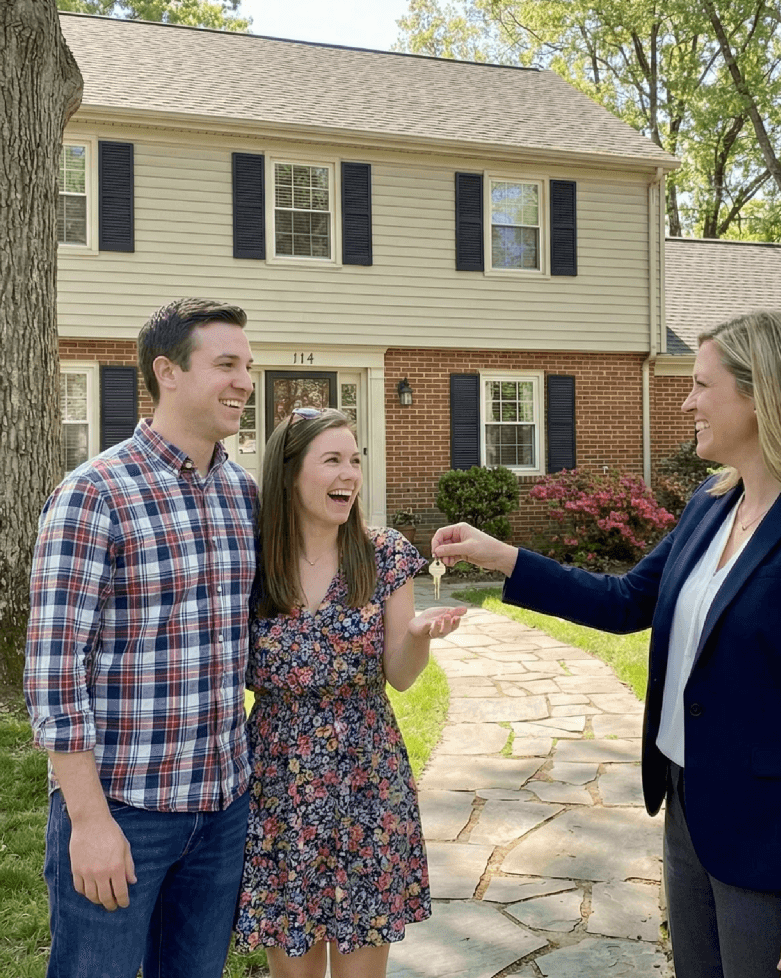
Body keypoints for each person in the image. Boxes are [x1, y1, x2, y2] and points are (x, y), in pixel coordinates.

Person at [432, 310, 781, 978]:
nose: (686, 402)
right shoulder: (712, 506)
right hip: (691, 813)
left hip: (776, 845)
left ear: (761, 393)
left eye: (702, 385)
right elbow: (626, 602)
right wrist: (501, 556)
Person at [25, 298, 259, 978]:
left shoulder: (241, 496)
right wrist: (90, 822)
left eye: (248, 365)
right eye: (226, 364)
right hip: (125, 811)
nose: (245, 380)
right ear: (168, 372)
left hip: (221, 811)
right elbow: (52, 672)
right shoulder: (95, 493)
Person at [237, 407, 465, 978]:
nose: (350, 474)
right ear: (290, 473)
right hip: (278, 778)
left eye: (356, 460)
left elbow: (402, 675)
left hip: (365, 774)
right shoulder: (252, 560)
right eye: (333, 460)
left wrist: (417, 637)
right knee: (293, 965)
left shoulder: (382, 553)